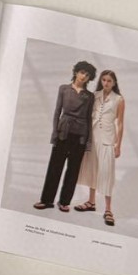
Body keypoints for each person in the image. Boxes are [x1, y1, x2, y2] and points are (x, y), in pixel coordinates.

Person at [33, 60, 97, 212]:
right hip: (63, 133)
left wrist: (88, 141)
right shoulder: (64, 89)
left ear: (90, 78)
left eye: (87, 75)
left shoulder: (89, 96)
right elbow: (57, 112)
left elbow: (89, 118)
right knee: (54, 167)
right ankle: (47, 200)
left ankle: (64, 202)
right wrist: (54, 133)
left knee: (73, 171)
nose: (84, 76)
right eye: (82, 72)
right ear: (76, 72)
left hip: (80, 136)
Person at [74, 69, 124, 226]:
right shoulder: (94, 95)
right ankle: (91, 202)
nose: (106, 83)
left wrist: (118, 145)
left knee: (107, 173)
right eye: (104, 80)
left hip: (108, 140)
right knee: (92, 170)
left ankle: (108, 209)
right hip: (93, 137)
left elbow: (120, 123)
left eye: (109, 81)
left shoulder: (119, 99)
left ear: (114, 83)